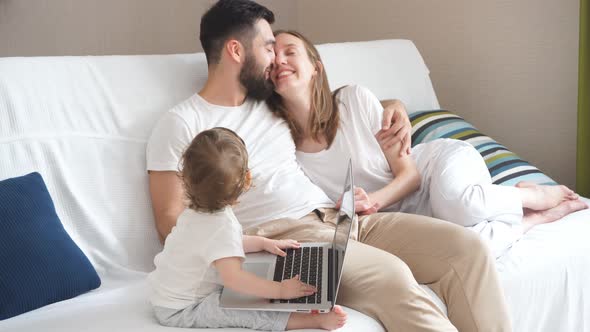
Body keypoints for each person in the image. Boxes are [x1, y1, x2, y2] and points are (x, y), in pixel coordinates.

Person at [147, 1, 512, 331]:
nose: (275, 58)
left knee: (466, 250)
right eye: (268, 46)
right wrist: (235, 250)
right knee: (393, 277)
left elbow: (330, 102)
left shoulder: (269, 104)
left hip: (343, 219)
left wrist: (394, 104)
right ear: (236, 50)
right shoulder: (182, 123)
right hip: (284, 239)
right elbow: (169, 222)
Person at [267, 30, 588, 258]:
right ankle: (532, 219)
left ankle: (532, 194)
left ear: (315, 68)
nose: (280, 60)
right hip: (404, 220)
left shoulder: (353, 100)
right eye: (272, 58)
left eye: (290, 51)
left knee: (462, 204)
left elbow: (410, 176)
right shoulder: (285, 149)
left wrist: (370, 202)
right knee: (468, 250)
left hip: (436, 168)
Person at [148, 127, 347, 331]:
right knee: (241, 310)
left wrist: (263, 243)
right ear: (247, 179)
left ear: (185, 179)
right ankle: (313, 321)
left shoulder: (195, 213)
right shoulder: (220, 225)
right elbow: (233, 278)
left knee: (243, 294)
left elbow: (221, 243)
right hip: (182, 309)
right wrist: (280, 290)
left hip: (167, 298)